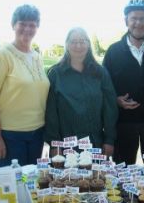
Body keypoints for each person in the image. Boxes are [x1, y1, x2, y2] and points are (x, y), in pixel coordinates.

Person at [103, 0, 144, 166]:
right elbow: (105, 88)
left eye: (143, 18)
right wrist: (116, 100)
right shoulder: (113, 51)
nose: (138, 23)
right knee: (123, 170)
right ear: (126, 21)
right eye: (133, 18)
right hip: (124, 122)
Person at [0, 5, 50, 167]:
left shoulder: (37, 57)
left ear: (37, 27)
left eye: (32, 24)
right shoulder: (1, 55)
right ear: (13, 25)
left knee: (30, 187)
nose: (27, 28)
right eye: (22, 23)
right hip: (8, 136)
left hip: (36, 135)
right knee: (10, 189)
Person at [44, 27, 118, 157]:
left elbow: (110, 108)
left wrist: (109, 140)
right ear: (66, 45)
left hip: (96, 144)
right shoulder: (55, 74)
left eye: (82, 41)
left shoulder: (100, 72)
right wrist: (55, 144)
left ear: (88, 44)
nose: (78, 45)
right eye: (73, 41)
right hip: (66, 147)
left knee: (96, 178)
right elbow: (51, 113)